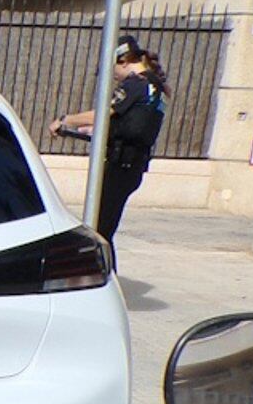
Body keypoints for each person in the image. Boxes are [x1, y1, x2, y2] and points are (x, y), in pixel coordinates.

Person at [50, 34, 170, 246]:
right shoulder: (155, 86)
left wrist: (65, 120)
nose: (113, 77)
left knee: (99, 233)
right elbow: (131, 125)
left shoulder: (136, 84)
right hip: (133, 165)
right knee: (103, 230)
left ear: (123, 60)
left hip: (121, 165)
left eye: (112, 69)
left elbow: (102, 114)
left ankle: (105, 277)